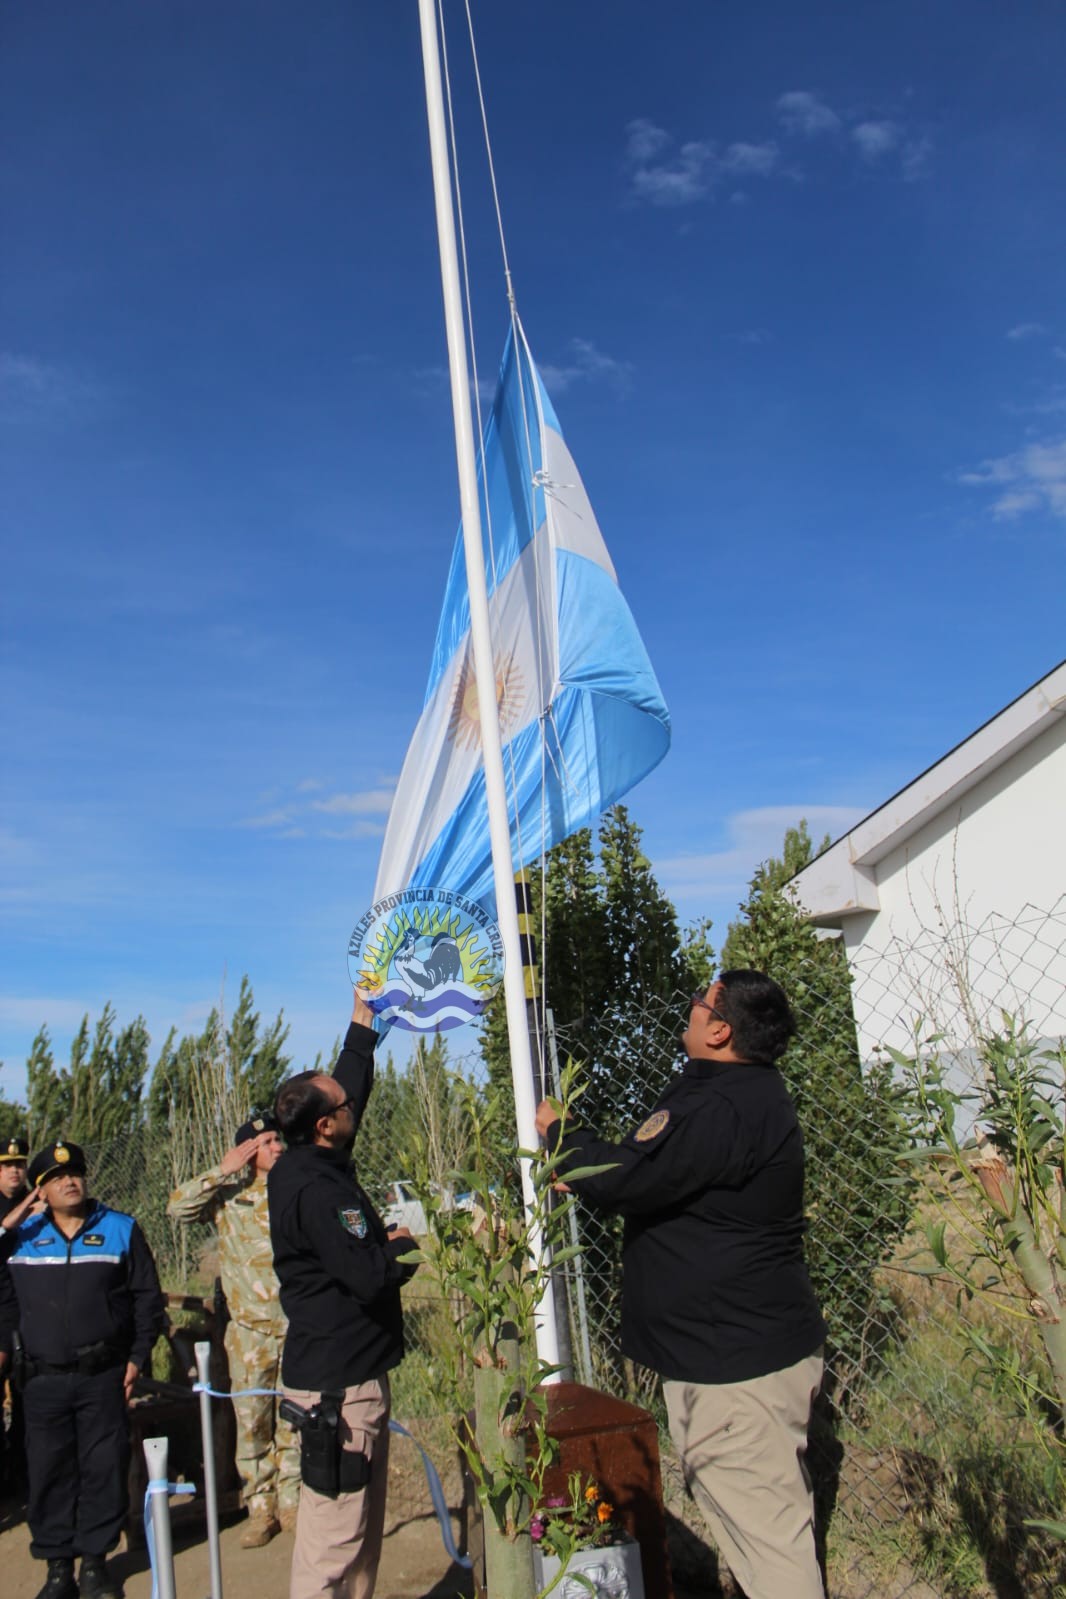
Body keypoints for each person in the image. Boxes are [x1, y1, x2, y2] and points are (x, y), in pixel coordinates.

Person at [536, 969, 828, 1599]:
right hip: (738, 1357)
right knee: (762, 1528)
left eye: (700, 1003)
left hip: (737, 1371)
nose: (691, 1010)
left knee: (774, 1551)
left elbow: (630, 1178)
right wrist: (593, 1170)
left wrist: (563, 1137)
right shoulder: (734, 1092)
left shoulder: (721, 1105)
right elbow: (654, 1171)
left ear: (720, 1029)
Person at [268, 992, 418, 1599]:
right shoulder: (317, 1192)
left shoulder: (309, 1160)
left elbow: (349, 1084)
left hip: (350, 1373)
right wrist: (403, 1247)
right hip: (337, 1390)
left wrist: (362, 1023)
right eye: (342, 1104)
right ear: (325, 1126)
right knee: (333, 1544)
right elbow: (368, 1275)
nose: (353, 1101)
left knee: (357, 1540)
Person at [0, 1138, 165, 1599]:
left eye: (74, 1173)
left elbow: (146, 1300)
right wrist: (13, 1220)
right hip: (42, 1379)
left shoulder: (119, 1229)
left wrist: (137, 1356)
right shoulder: (22, 1240)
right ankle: (57, 1568)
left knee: (102, 1468)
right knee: (48, 1470)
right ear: (39, 1191)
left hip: (102, 1375)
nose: (68, 1181)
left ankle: (94, 1564)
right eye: (54, 1178)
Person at [166, 1111, 299, 1546]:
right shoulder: (229, 1195)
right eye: (265, 1143)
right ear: (246, 1153)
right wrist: (220, 1172)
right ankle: (261, 1508)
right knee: (253, 1419)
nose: (276, 1146)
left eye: (279, 1140)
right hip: (248, 1333)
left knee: (295, 1420)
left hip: (297, 1327)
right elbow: (178, 1208)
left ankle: (293, 1503)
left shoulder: (296, 1188)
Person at [0, 1135, 30, 1496]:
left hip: (29, 1312)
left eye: (19, 1165)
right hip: (3, 1314)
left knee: (27, 1397)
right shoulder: (21, 1209)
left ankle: (21, 1475)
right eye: (7, 1165)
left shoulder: (36, 1203)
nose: (14, 1171)